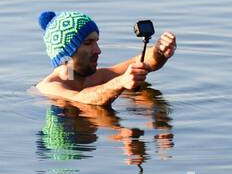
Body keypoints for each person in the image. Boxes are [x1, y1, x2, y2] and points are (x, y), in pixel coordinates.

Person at [34, 10, 177, 107]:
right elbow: (81, 99)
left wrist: (159, 51)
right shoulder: (49, 87)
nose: (98, 50)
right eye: (88, 43)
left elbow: (141, 62)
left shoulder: (94, 77)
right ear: (66, 54)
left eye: (96, 42)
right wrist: (120, 82)